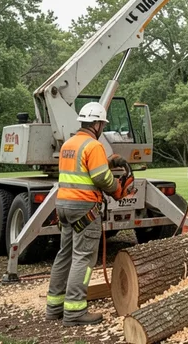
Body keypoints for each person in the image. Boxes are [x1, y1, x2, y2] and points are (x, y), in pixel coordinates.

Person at [46, 102, 133, 326]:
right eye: (102, 124)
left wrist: (109, 161)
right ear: (96, 124)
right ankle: (75, 311)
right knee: (83, 258)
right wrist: (117, 190)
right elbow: (101, 178)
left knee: (64, 254)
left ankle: (54, 306)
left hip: (64, 206)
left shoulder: (69, 143)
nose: (102, 127)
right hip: (84, 208)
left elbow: (83, 169)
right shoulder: (93, 146)